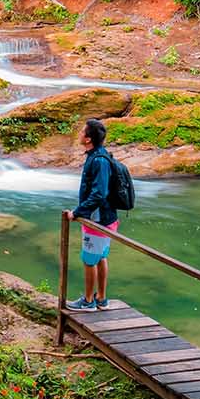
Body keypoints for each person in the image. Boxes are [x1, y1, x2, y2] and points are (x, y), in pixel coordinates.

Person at [66, 118, 119, 310]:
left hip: (97, 220)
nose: (79, 134)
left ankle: (88, 301)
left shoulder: (97, 160)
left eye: (82, 132)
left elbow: (99, 193)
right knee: (100, 257)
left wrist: (77, 212)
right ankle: (101, 298)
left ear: (88, 139)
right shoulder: (100, 155)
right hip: (107, 218)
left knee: (89, 261)